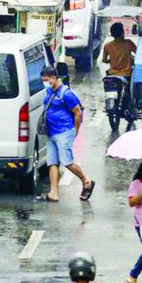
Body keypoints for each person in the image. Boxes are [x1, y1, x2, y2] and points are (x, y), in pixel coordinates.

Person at [38, 66, 94, 202]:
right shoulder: (48, 91)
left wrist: (75, 131)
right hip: (51, 132)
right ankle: (53, 193)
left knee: (67, 162)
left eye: (47, 80)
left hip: (64, 132)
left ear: (53, 78)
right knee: (52, 162)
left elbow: (77, 112)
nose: (45, 82)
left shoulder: (66, 94)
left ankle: (86, 181)